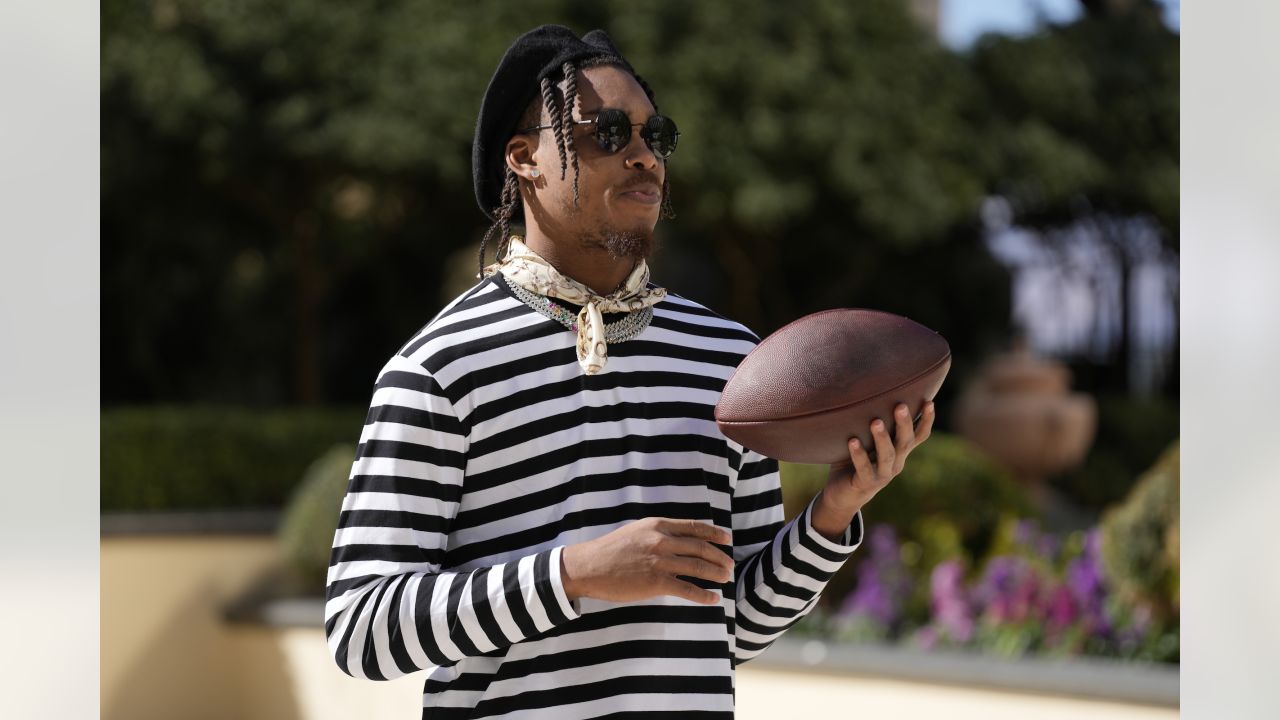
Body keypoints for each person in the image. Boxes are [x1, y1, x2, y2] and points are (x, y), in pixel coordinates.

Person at [325, 24, 935, 719]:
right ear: (525, 158)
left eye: (657, 135)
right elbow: (361, 629)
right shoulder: (442, 367)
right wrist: (577, 574)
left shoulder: (731, 362)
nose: (644, 156)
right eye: (608, 132)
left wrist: (832, 514)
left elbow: (730, 627)